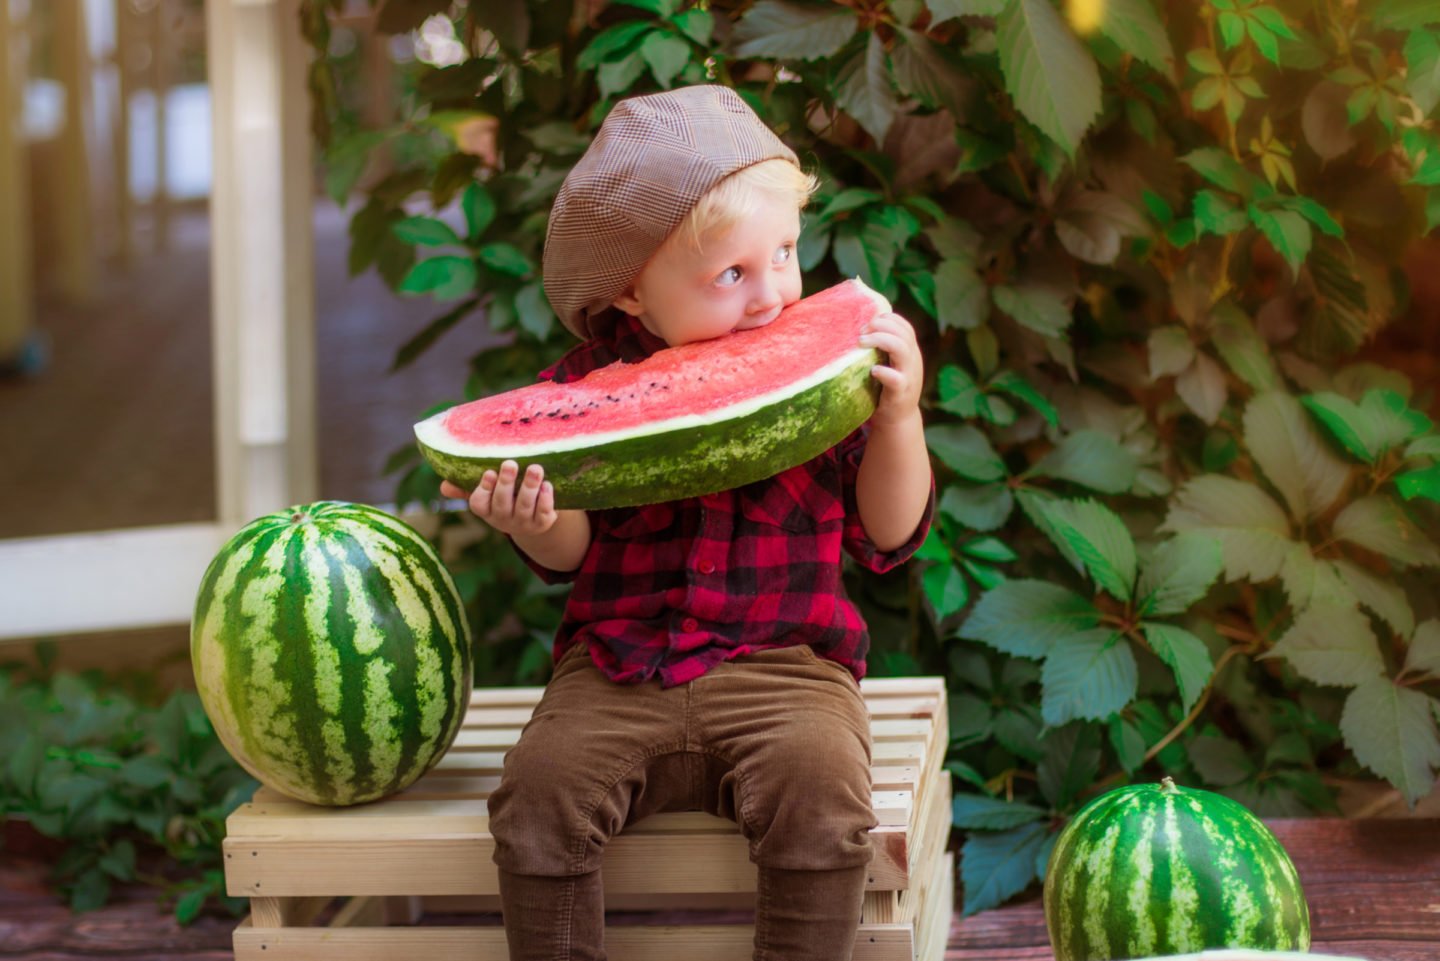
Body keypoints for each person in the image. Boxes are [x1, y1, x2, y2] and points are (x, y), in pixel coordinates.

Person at [439, 84, 935, 961]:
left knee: (822, 786)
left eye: (785, 253)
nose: (770, 296)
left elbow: (888, 536)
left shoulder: (827, 384)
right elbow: (571, 552)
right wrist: (532, 519)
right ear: (632, 292)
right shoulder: (580, 390)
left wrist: (899, 421)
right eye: (731, 274)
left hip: (787, 669)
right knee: (537, 793)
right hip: (617, 666)